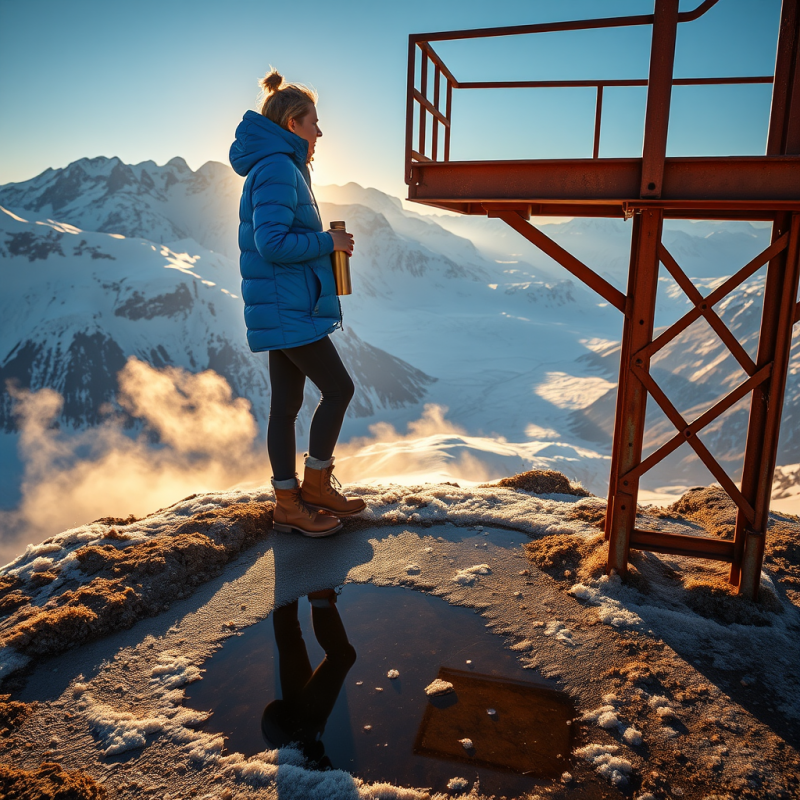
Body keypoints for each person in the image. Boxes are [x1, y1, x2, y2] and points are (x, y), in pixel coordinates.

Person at [230, 69, 366, 537]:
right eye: (313, 122)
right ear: (292, 124)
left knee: (285, 407)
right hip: (288, 308)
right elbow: (271, 243)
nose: (320, 131)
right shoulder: (277, 169)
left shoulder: (279, 167)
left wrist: (324, 243)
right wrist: (328, 241)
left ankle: (289, 503)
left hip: (280, 304)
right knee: (339, 389)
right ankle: (315, 488)